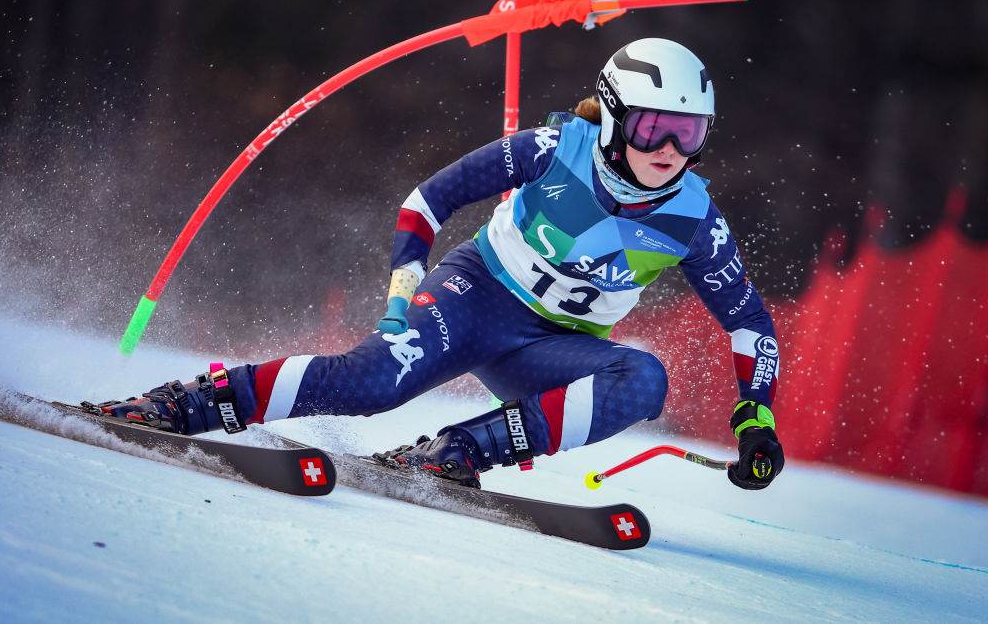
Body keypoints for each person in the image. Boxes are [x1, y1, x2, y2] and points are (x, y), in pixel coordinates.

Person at [99, 38, 784, 490]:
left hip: (551, 351)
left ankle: (458, 450)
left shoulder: (695, 219)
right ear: (610, 118)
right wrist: (400, 300)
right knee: (371, 385)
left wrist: (757, 417)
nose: (670, 149)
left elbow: (749, 322)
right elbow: (426, 203)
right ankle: (195, 401)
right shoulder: (552, 149)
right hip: (475, 296)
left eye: (688, 132)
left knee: (643, 381)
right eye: (651, 127)